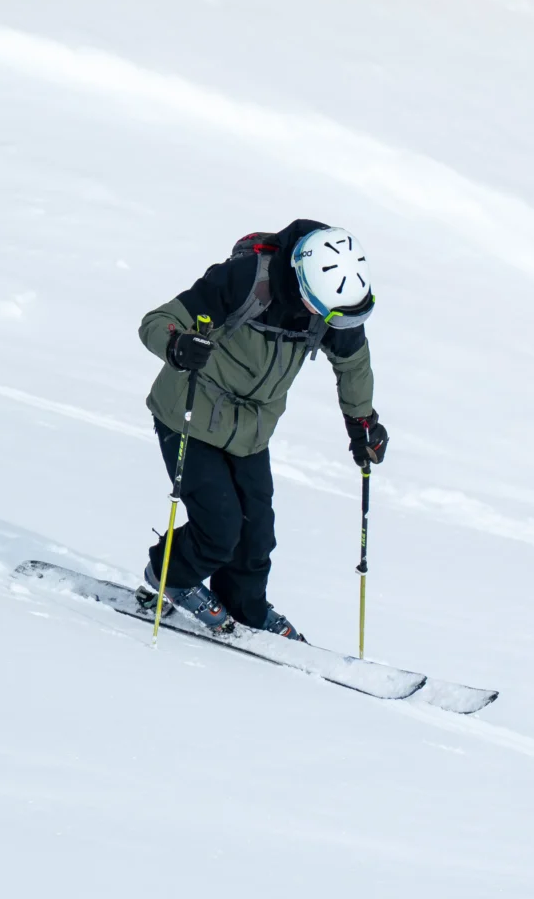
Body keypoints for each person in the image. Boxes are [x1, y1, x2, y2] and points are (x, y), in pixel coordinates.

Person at [136, 219, 389, 642]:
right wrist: (177, 344)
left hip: (252, 431)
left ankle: (245, 609)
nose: (336, 325)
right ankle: (171, 578)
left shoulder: (335, 301)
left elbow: (353, 361)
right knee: (219, 528)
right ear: (305, 288)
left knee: (256, 537)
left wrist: (361, 422)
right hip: (190, 412)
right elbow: (158, 320)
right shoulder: (245, 282)